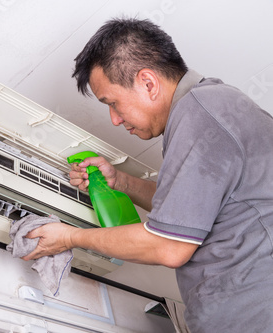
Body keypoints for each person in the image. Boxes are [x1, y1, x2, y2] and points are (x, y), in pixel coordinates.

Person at [21, 17, 273, 332]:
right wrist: (121, 182)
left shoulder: (201, 115)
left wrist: (69, 237)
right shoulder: (210, 109)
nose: (114, 119)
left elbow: (169, 246)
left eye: (112, 103)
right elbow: (189, 212)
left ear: (148, 83)